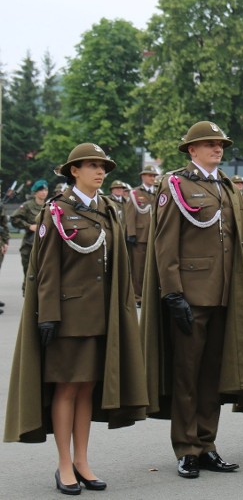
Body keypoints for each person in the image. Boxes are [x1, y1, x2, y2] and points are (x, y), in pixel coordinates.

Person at [4, 143, 147, 494]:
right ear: (74, 171)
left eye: (103, 166)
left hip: (101, 315)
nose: (100, 172)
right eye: (92, 166)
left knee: (87, 389)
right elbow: (46, 269)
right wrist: (48, 315)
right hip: (68, 317)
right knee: (67, 388)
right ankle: (64, 464)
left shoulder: (109, 208)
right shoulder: (56, 211)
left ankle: (82, 460)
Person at [140, 121, 243, 478]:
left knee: (212, 375)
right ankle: (186, 447)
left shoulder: (226, 186)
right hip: (191, 295)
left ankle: (207, 443)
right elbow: (165, 242)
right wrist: (172, 292)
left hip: (225, 293)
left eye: (220, 144)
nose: (218, 149)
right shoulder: (176, 185)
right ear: (191, 150)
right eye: (209, 144)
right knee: (187, 374)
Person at [125, 165, 158, 305]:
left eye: (154, 176)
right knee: (138, 268)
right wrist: (131, 233)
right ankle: (137, 296)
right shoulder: (135, 193)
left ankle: (150, 295)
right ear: (143, 177)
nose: (152, 178)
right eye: (150, 175)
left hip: (155, 235)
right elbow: (130, 214)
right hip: (141, 236)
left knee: (153, 267)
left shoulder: (157, 192)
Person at [11, 179, 50, 293]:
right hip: (29, 245)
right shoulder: (27, 205)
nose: (44, 192)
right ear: (35, 192)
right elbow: (14, 219)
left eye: (46, 190)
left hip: (45, 246)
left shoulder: (49, 205)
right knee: (29, 275)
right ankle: (28, 302)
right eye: (41, 190)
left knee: (44, 276)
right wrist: (28, 226)